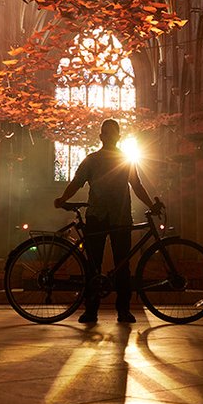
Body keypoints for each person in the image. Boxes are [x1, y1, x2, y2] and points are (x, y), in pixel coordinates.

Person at [54, 118, 162, 323]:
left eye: (112, 133)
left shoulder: (102, 160)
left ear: (115, 137)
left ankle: (118, 310)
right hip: (101, 216)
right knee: (98, 266)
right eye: (108, 133)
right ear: (103, 136)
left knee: (121, 266)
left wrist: (150, 204)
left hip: (115, 216)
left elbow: (137, 186)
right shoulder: (95, 159)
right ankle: (96, 310)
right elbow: (77, 183)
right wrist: (63, 199)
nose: (110, 136)